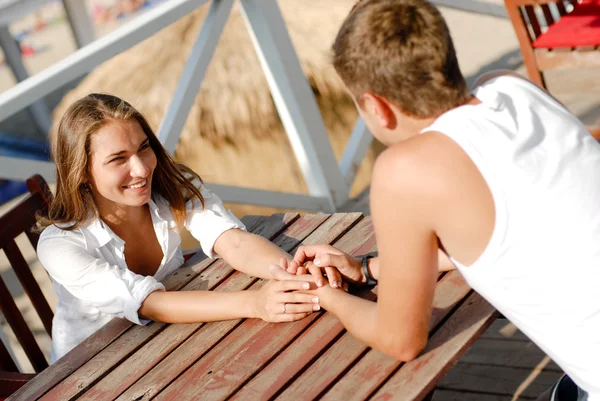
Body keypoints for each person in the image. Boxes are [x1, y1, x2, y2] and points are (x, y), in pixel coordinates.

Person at [271, 0, 600, 399]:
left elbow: (401, 340)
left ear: (377, 107)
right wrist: (367, 269)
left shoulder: (404, 169)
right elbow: (521, 235)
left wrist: (324, 294)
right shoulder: (512, 88)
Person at [37, 93, 319, 363]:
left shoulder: (171, 185)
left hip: (170, 343)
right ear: (82, 171)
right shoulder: (60, 246)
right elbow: (151, 304)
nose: (141, 169)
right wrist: (256, 303)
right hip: (92, 371)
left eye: (143, 147)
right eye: (118, 159)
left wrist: (297, 275)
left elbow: (233, 242)